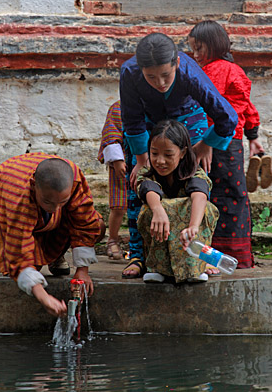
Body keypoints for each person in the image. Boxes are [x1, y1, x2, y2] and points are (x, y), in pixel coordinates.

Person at [119, 32, 238, 278]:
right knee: (137, 184)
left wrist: (206, 144)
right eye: (151, 77)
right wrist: (142, 161)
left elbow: (227, 117)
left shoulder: (189, 72)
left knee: (194, 182)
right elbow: (132, 120)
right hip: (149, 123)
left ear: (177, 64)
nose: (160, 83)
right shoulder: (129, 73)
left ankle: (202, 256)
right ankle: (138, 255)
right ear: (140, 69)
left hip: (188, 119)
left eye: (166, 75)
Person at [0, 153, 105, 316]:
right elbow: (19, 255)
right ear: (33, 185)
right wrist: (43, 296)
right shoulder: (19, 197)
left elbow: (84, 222)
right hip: (9, 201)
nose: (55, 208)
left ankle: (55, 256)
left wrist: (82, 271)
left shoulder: (74, 178)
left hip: (42, 206)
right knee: (4, 264)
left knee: (98, 225)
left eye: (63, 201)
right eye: (48, 201)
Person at [188, 20, 272, 269]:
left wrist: (211, 141)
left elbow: (234, 110)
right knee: (216, 195)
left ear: (214, 46)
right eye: (192, 49)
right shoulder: (223, 70)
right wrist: (253, 136)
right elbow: (247, 108)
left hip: (220, 144)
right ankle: (219, 256)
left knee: (221, 196)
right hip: (214, 143)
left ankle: (224, 256)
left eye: (199, 48)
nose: (195, 55)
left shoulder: (225, 71)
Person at [137, 120, 219, 283]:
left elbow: (200, 194)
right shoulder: (147, 173)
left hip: (188, 232)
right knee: (148, 210)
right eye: (154, 154)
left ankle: (197, 266)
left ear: (182, 153)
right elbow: (148, 188)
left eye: (168, 155)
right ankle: (157, 268)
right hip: (162, 229)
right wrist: (158, 210)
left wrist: (193, 226)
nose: (160, 161)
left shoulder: (194, 171)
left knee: (206, 209)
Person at [98, 100, 128, 260]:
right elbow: (110, 134)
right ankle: (113, 239)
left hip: (149, 162)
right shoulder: (118, 108)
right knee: (119, 207)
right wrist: (117, 160)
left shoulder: (154, 103)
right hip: (122, 164)